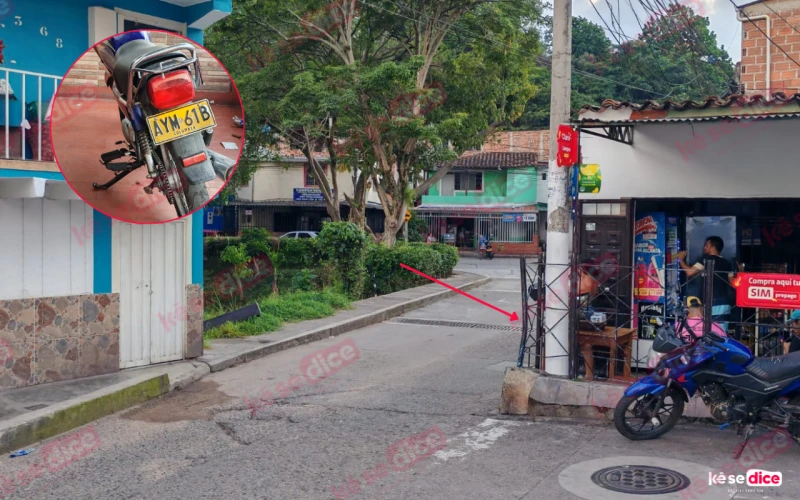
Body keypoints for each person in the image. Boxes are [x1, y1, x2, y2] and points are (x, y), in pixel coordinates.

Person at [675, 236, 738, 332]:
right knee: (721, 332)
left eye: (706, 245)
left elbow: (689, 272)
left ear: (713, 248)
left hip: (710, 301)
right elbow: (733, 282)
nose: (704, 247)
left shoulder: (705, 259)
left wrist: (681, 260)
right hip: (724, 302)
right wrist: (741, 274)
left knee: (708, 332)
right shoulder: (727, 263)